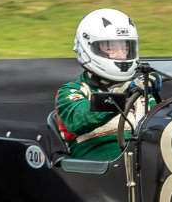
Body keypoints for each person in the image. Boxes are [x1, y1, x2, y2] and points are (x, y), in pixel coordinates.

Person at [55, 9, 152, 162]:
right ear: (88, 47)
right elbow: (80, 119)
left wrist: (157, 99)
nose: (121, 54)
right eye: (110, 48)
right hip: (100, 173)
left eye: (125, 47)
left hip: (147, 164)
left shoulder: (140, 89)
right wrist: (124, 95)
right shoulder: (72, 91)